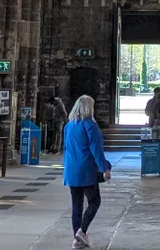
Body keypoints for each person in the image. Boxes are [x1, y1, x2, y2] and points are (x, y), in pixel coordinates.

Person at [63, 95, 111, 250]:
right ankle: (82, 231)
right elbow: (96, 149)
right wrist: (104, 168)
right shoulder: (90, 125)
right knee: (94, 201)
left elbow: (66, 148)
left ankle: (76, 239)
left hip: (71, 170)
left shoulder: (69, 126)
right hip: (86, 170)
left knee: (76, 205)